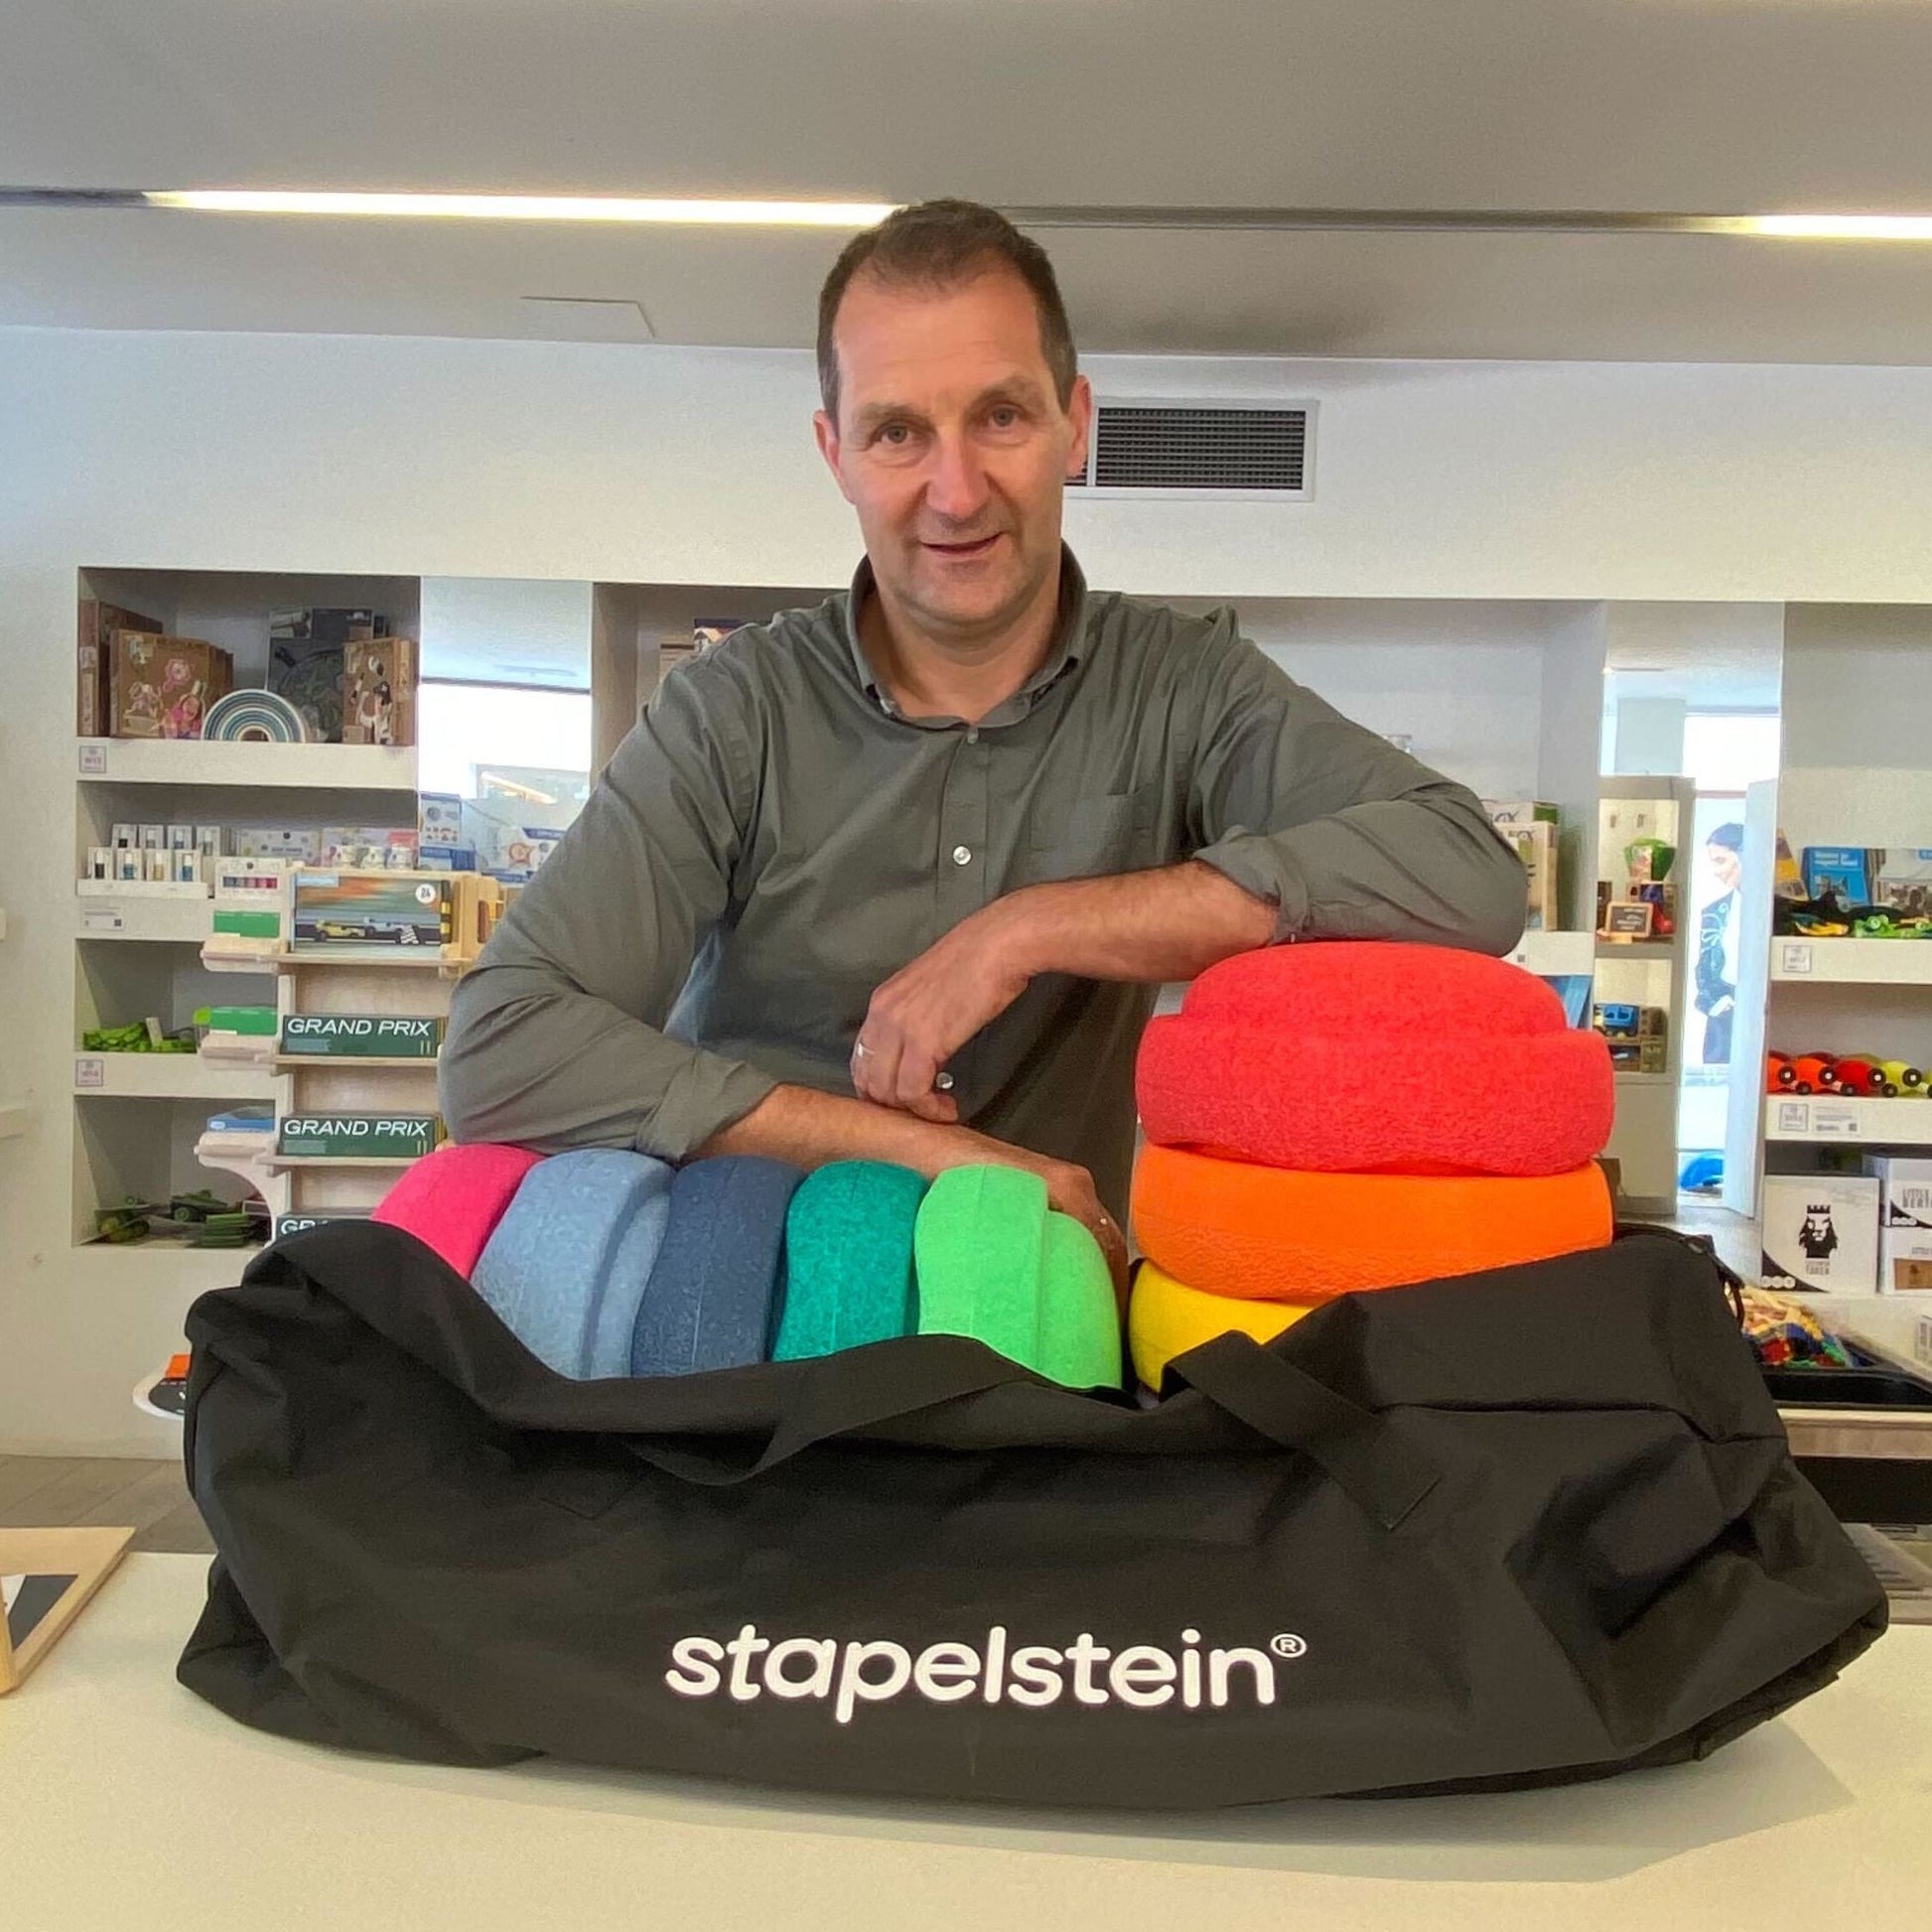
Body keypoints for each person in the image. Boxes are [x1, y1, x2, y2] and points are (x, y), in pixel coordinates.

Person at [439, 200, 1527, 1288]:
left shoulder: (1184, 685)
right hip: (737, 1311)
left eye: (1000, 416)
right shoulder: (731, 712)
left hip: (1046, 1318)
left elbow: (1469, 873)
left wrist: (1029, 928)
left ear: (1074, 423)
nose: (955, 494)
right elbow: (500, 1044)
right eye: (896, 432)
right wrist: (930, 1155)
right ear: (835, 453)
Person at [1695, 822, 1744, 1065]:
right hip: (1722, 1015)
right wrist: (1717, 1005)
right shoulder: (1714, 911)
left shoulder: (1777, 910)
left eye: (1721, 861)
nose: (1716, 871)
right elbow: (1704, 965)